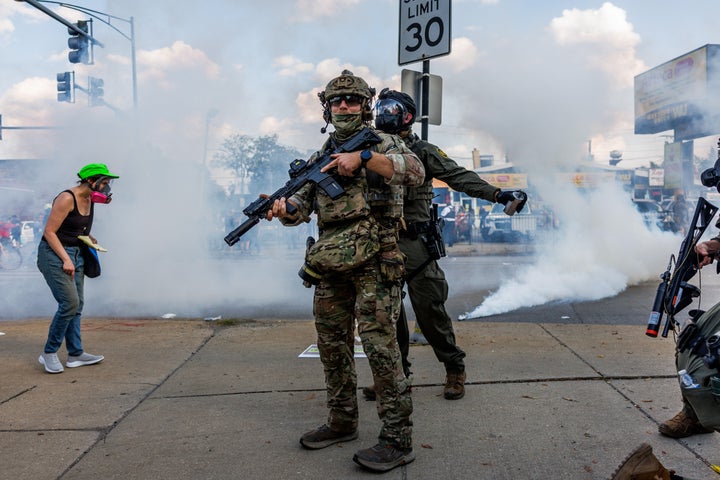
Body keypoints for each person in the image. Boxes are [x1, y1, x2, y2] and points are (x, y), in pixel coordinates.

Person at [265, 71, 424, 472]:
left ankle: (396, 438)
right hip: (331, 261)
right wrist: (283, 209)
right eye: (337, 102)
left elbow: (416, 171)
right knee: (332, 346)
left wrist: (365, 158)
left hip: (375, 260)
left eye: (353, 101)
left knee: (381, 350)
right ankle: (342, 421)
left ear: (365, 106)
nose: (344, 107)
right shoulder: (319, 159)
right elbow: (300, 209)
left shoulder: (381, 141)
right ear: (326, 108)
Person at [367, 88, 526, 400]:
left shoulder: (421, 151)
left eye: (391, 108)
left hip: (415, 244)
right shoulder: (369, 150)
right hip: (379, 243)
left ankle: (455, 369)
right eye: (381, 107)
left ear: (407, 116)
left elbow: (458, 176)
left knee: (430, 312)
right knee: (387, 315)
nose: (383, 113)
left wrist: (497, 194)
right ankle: (398, 377)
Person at [37, 163, 119, 374]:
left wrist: (88, 237)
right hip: (54, 254)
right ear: (92, 181)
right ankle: (48, 353)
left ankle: (75, 354)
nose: (107, 188)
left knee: (78, 304)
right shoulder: (66, 198)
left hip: (77, 252)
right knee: (69, 303)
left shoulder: (90, 199)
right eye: (105, 183)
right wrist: (66, 259)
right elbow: (50, 232)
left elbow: (74, 227)